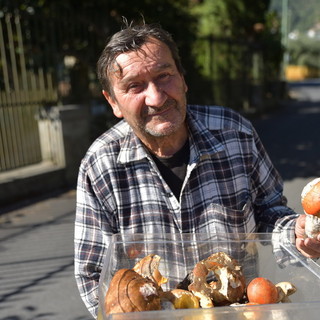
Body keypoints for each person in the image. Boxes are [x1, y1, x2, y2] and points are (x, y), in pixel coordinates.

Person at [74, 22, 320, 318]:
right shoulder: (100, 166)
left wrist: (297, 233)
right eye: (134, 86)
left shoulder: (235, 135)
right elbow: (93, 275)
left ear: (182, 78)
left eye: (164, 76)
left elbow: (270, 213)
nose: (156, 97)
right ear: (113, 101)